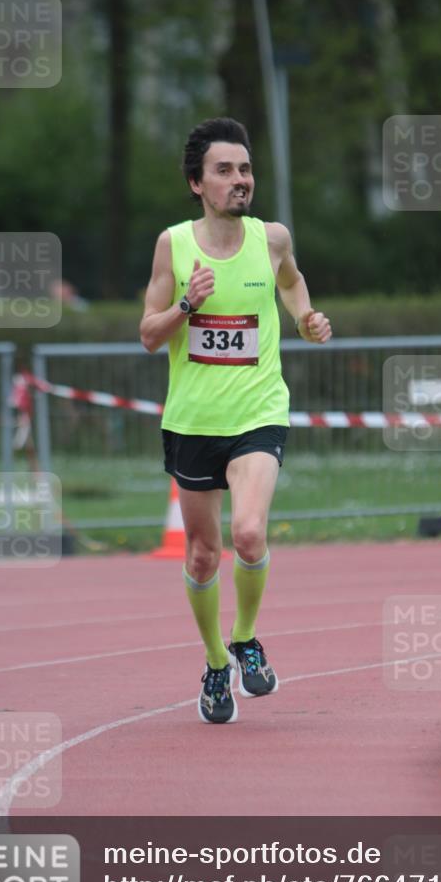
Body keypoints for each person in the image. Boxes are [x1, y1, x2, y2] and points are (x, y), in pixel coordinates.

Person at [141, 117, 331, 725]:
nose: (239, 180)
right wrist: (187, 304)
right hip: (194, 420)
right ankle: (217, 661)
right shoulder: (174, 244)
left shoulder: (271, 238)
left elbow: (294, 284)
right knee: (203, 556)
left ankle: (246, 637)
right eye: (224, 171)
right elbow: (148, 334)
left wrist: (305, 318)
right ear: (197, 183)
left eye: (244, 169)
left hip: (258, 411)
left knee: (249, 534)